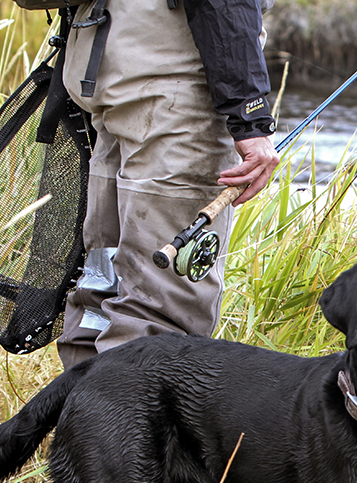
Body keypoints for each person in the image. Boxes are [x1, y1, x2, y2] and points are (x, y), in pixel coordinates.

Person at [56, 0, 280, 369]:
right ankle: (124, 426)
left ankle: (81, 421)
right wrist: (250, 115)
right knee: (160, 311)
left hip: (111, 83)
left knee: (102, 285)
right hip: (177, 98)